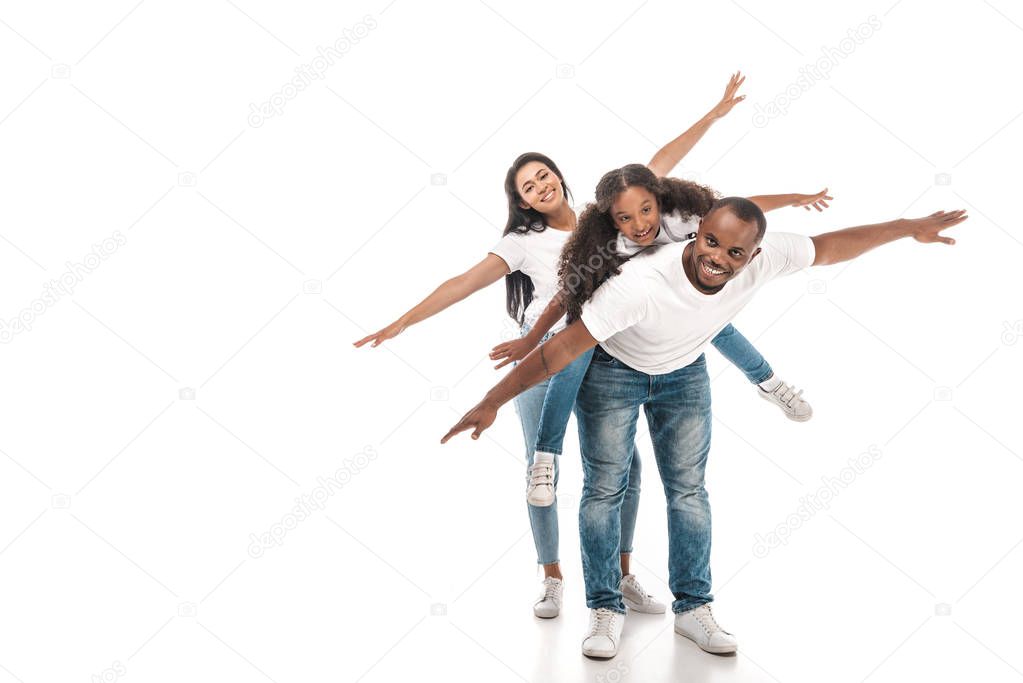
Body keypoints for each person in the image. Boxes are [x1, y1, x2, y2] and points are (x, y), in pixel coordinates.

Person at [441, 166, 967, 659]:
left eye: (736, 252)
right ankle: (604, 608)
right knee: (606, 487)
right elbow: (562, 350)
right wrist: (490, 401)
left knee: (688, 492)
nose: (719, 258)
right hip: (615, 373)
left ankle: (694, 609)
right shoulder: (638, 283)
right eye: (711, 242)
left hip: (684, 375)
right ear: (694, 234)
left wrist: (908, 226)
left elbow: (832, 246)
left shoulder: (767, 256)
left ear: (755, 254)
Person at [355, 73, 825, 621]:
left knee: (640, 441)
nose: (540, 187)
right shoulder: (523, 241)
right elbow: (470, 283)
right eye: (528, 187)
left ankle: (623, 575)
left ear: (561, 177)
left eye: (544, 175)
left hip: (626, 336)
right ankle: (551, 575)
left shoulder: (615, 212)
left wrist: (718, 116)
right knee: (540, 471)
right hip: (560, 343)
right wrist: (404, 323)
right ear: (521, 201)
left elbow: (698, 188)